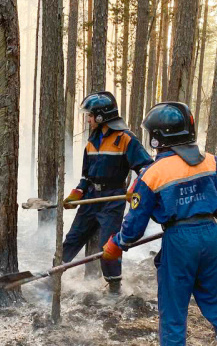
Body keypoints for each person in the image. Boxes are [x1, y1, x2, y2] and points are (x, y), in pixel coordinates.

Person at [102, 102, 217, 346]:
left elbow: (133, 226)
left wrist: (116, 244)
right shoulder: (209, 160)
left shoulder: (154, 173)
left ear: (159, 136)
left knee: (174, 307)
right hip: (210, 236)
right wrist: (210, 212)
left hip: (180, 241)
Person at [61, 91, 153, 294]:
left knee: (108, 245)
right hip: (91, 198)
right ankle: (54, 277)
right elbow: (86, 175)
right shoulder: (92, 141)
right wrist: (77, 192)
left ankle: (114, 287)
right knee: (73, 237)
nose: (88, 119)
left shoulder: (126, 139)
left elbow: (147, 169)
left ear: (101, 116)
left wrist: (133, 189)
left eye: (90, 115)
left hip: (113, 200)